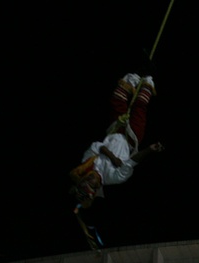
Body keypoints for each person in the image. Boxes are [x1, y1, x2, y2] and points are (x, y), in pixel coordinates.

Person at [69, 73, 163, 215]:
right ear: (96, 188)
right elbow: (130, 163)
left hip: (115, 129)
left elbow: (97, 145)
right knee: (139, 107)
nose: (89, 178)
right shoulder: (112, 178)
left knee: (116, 100)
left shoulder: (87, 163)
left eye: (85, 179)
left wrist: (112, 157)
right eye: (91, 183)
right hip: (132, 138)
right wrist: (149, 149)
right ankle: (147, 82)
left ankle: (132, 79)